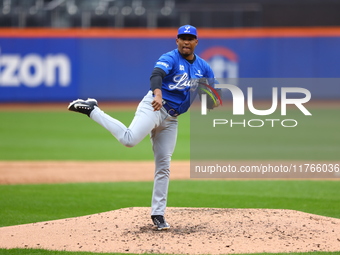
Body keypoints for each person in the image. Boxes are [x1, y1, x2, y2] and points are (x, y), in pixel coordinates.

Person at [68, 25, 216, 230]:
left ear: (196, 42)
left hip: (172, 119)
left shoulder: (203, 67)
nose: (186, 41)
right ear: (177, 40)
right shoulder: (171, 58)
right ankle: (93, 110)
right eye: (182, 38)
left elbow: (212, 95)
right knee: (129, 140)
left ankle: (158, 214)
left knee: (164, 165)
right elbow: (156, 74)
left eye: (190, 38)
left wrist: (211, 100)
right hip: (154, 107)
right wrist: (157, 93)